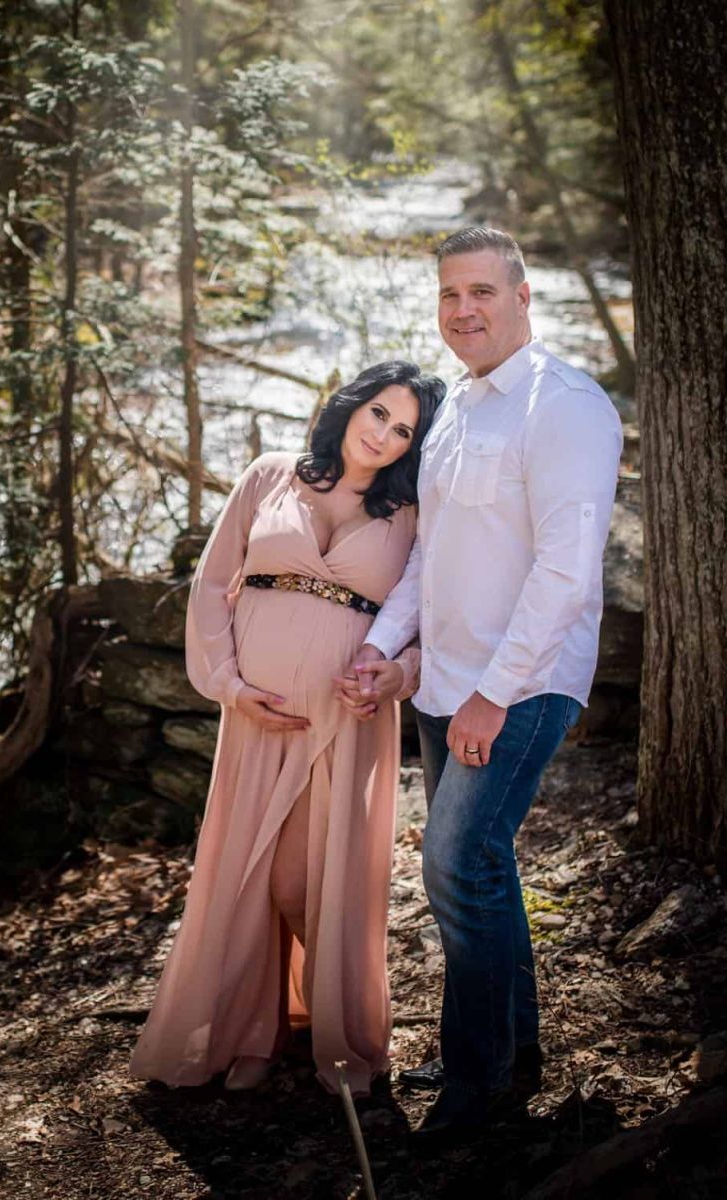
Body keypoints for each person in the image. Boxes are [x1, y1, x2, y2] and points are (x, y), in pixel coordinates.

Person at [340, 226, 623, 1140]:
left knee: (457, 864)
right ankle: (508, 1051)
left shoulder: (564, 405)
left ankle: (480, 1081)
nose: (463, 310)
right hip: (444, 682)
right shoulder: (456, 406)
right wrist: (382, 645)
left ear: (523, 296)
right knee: (483, 865)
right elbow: (429, 555)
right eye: (449, 294)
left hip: (520, 684)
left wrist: (493, 694)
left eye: (482, 292)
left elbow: (566, 571)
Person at [130, 360, 444, 1096]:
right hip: (256, 718)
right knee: (247, 872)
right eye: (379, 413)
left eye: (404, 431)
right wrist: (230, 687)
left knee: (301, 880)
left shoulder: (413, 515)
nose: (384, 436)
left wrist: (399, 675)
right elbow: (213, 584)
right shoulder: (270, 475)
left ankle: (340, 1025)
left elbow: (435, 618)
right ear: (351, 405)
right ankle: (254, 1032)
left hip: (344, 720)